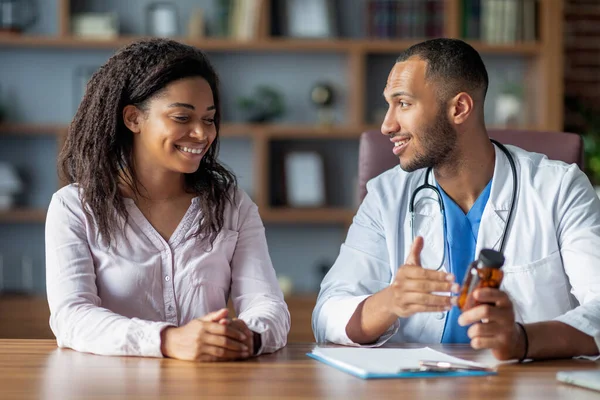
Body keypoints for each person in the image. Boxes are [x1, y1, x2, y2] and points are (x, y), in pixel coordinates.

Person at [313, 38, 600, 360]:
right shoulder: (386, 195)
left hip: (525, 385)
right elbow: (326, 314)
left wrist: (520, 340)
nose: (386, 125)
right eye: (388, 104)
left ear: (459, 108)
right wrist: (391, 300)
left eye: (403, 103)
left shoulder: (558, 187)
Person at [46, 38, 290, 361]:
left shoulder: (232, 205)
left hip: (209, 388)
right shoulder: (74, 208)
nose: (202, 134)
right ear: (133, 118)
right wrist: (168, 341)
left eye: (208, 119)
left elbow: (269, 306)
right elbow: (72, 318)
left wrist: (247, 336)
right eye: (181, 118)